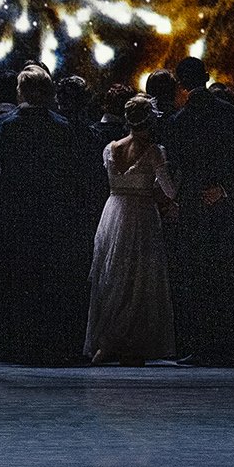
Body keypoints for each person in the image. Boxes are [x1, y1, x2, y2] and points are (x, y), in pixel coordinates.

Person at [0, 65, 79, 363]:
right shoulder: (63, 128)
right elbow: (72, 176)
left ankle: (17, 341)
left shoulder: (3, 128)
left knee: (16, 278)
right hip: (52, 215)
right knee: (48, 279)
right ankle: (48, 340)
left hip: (13, 216)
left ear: (21, 91)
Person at [163, 55, 234, 365]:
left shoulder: (177, 122)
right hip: (224, 206)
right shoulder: (233, 116)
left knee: (197, 277)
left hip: (192, 206)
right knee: (225, 275)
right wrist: (225, 189)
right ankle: (228, 347)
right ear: (207, 75)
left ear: (182, 84)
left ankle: (201, 347)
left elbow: (174, 168)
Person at [85, 95, 178, 365]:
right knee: (139, 279)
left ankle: (107, 342)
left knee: (112, 276)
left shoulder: (110, 148)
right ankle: (132, 343)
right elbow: (169, 190)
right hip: (141, 214)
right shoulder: (155, 152)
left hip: (113, 211)